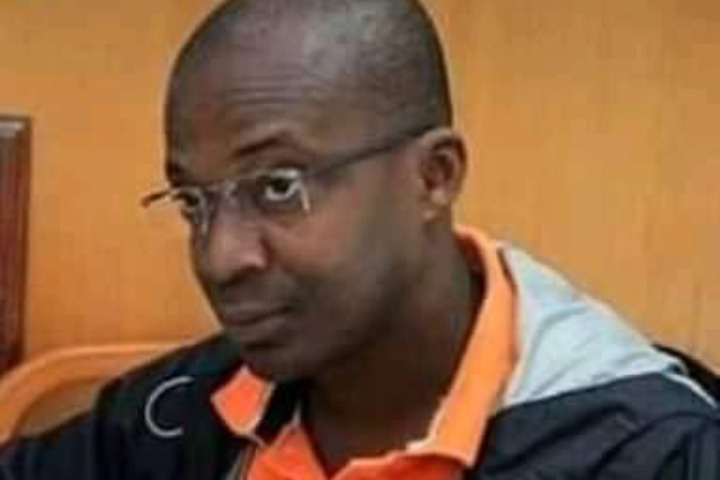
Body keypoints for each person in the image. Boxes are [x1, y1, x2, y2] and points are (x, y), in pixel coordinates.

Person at [2, 0, 718, 478]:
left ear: (434, 177)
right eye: (194, 201)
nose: (221, 257)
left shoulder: (646, 450)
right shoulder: (185, 413)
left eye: (278, 186)